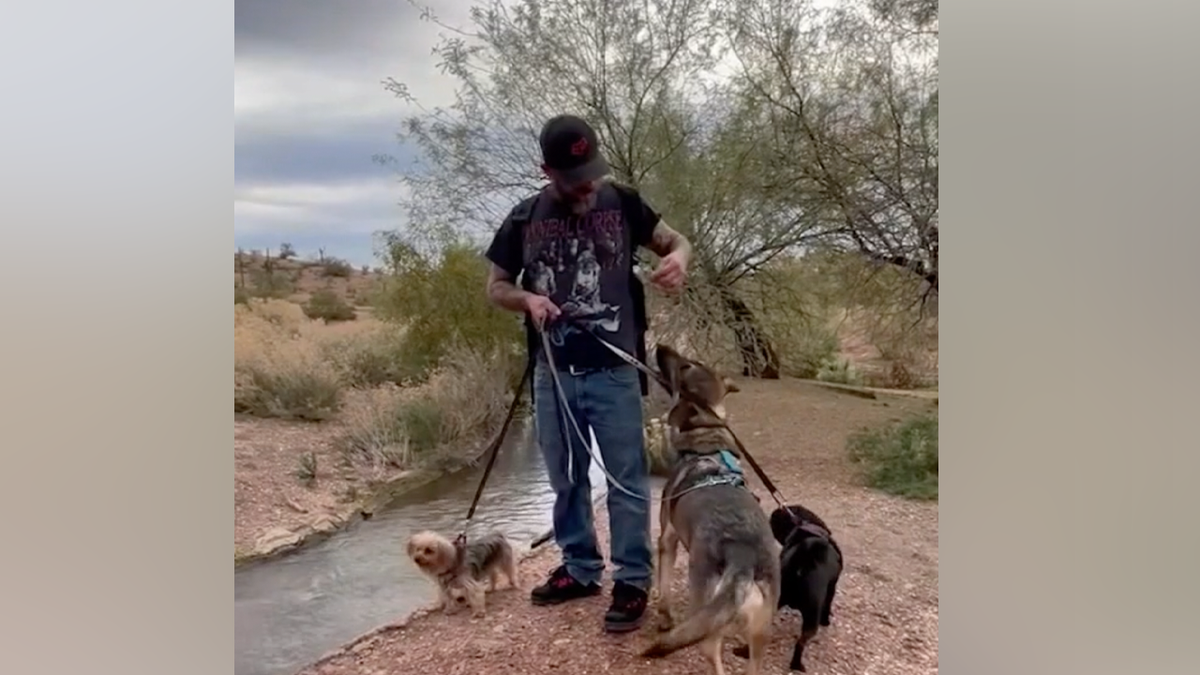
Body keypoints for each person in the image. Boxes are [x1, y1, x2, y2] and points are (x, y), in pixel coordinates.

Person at [484, 114, 692, 633]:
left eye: (591, 171)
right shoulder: (523, 217)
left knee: (625, 480)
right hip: (553, 373)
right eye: (574, 175)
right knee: (565, 479)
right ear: (546, 170)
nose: (586, 184)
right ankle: (579, 568)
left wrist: (679, 262)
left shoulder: (622, 202)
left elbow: (676, 242)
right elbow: (496, 286)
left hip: (615, 370)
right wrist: (528, 297)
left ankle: (631, 580)